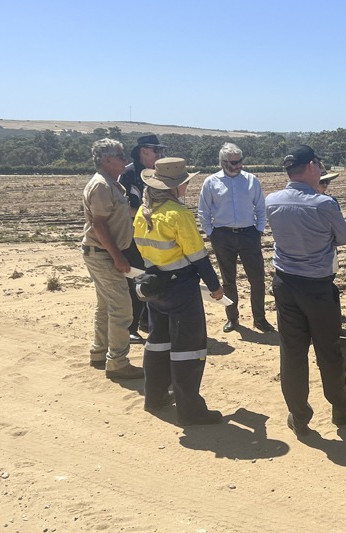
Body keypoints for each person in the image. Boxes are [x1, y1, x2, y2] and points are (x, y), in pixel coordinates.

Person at [266, 145, 346, 437]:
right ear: (312, 166)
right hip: (317, 287)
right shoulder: (324, 204)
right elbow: (344, 238)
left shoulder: (272, 201)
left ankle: (299, 414)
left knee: (292, 352)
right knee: (329, 351)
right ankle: (342, 408)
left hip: (285, 284)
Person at [134, 157, 225, 425]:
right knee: (188, 348)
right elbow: (198, 256)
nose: (187, 186)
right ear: (175, 187)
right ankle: (190, 410)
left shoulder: (143, 211)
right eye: (185, 182)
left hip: (154, 285)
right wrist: (215, 286)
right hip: (181, 288)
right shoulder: (179, 214)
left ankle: (155, 397)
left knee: (157, 342)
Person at [81, 139, 143, 379]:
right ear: (107, 160)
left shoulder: (111, 184)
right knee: (122, 309)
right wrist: (118, 257)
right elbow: (99, 225)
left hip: (102, 253)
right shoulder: (102, 186)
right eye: (119, 155)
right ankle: (117, 362)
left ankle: (99, 352)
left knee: (106, 305)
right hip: (104, 254)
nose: (124, 158)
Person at [198, 143, 273, 334]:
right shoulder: (211, 182)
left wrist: (259, 230)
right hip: (222, 236)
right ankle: (232, 318)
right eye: (234, 162)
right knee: (228, 280)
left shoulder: (251, 180)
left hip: (249, 234)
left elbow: (260, 208)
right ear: (223, 162)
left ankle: (260, 319)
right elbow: (203, 211)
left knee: (257, 279)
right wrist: (211, 233)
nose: (238, 165)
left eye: (240, 161)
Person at [119, 134, 167, 343]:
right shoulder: (129, 173)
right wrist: (146, 215)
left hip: (155, 234)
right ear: (143, 151)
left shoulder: (158, 174)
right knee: (136, 279)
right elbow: (124, 207)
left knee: (154, 276)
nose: (160, 154)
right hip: (134, 236)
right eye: (156, 150)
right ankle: (132, 326)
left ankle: (148, 321)